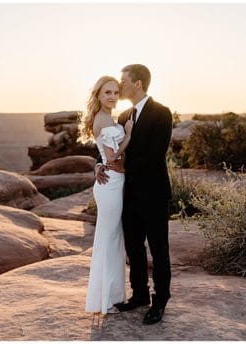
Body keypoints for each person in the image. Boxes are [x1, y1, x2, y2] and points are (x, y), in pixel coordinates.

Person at [96, 64, 173, 325]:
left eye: (124, 81)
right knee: (133, 247)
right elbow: (113, 150)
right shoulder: (123, 115)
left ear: (137, 84)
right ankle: (139, 295)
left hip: (154, 192)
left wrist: (122, 166)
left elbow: (154, 155)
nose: (120, 86)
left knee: (159, 249)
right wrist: (100, 164)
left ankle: (160, 300)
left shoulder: (161, 113)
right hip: (128, 194)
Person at [82, 75, 135, 315]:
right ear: (98, 96)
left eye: (115, 92)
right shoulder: (103, 120)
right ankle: (105, 301)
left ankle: (109, 297)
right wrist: (129, 136)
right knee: (109, 239)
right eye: (107, 93)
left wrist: (100, 164)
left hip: (112, 180)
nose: (112, 96)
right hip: (111, 183)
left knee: (112, 239)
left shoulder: (107, 117)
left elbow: (105, 157)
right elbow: (112, 158)